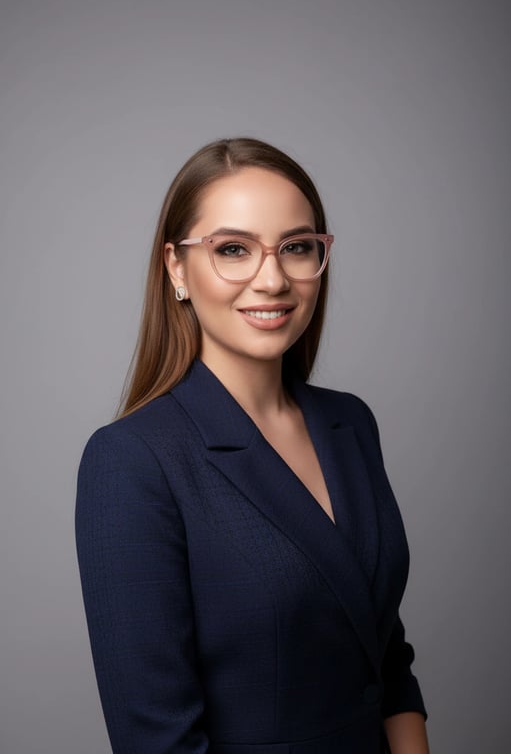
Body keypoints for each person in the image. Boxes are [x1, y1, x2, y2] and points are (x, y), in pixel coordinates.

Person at [76, 137, 429, 754]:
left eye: (296, 247)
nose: (272, 280)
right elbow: (158, 739)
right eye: (233, 250)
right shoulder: (132, 461)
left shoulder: (350, 423)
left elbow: (383, 654)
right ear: (176, 268)